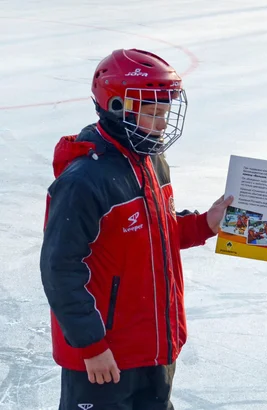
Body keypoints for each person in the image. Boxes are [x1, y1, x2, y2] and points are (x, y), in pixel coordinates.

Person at [40, 48, 233, 410]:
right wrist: (91, 346)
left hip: (155, 349)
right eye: (153, 113)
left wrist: (205, 224)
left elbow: (156, 232)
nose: (162, 124)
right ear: (117, 107)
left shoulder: (152, 161)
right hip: (105, 360)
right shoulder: (84, 180)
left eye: (166, 113)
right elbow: (59, 269)